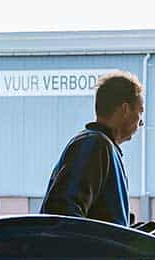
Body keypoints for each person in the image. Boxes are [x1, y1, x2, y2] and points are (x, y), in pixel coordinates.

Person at [41, 71, 144, 224]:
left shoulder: (103, 148)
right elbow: (63, 212)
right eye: (140, 112)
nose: (141, 123)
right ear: (124, 109)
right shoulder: (94, 146)